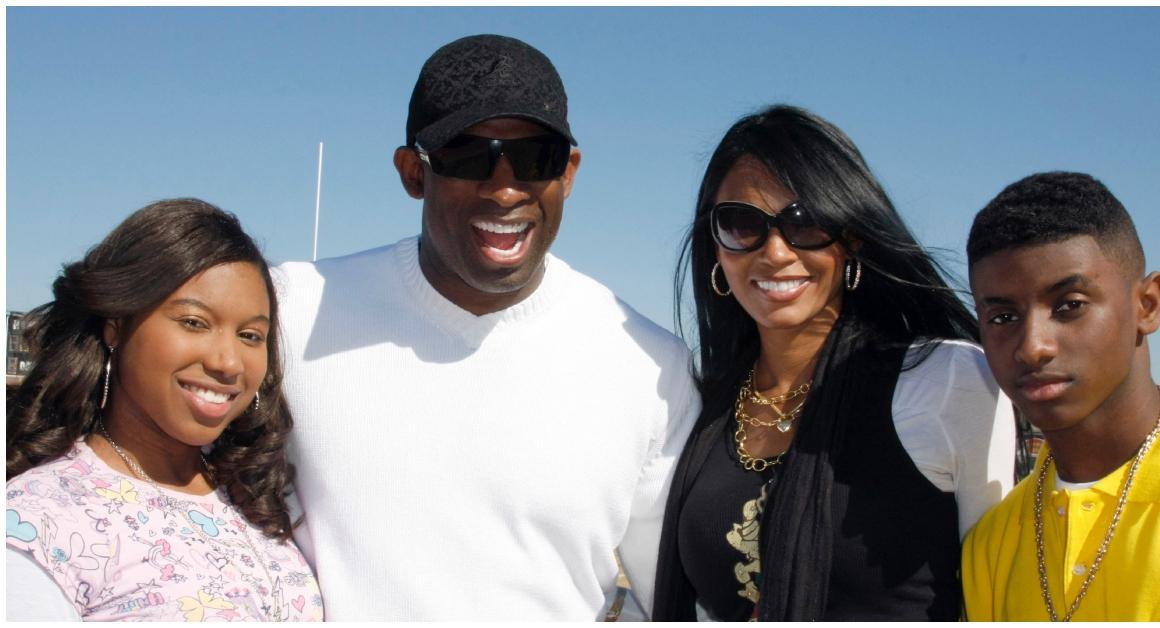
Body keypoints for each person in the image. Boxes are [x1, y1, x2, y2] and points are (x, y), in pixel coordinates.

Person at [272, 34, 699, 620]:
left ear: (568, 172)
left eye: (535, 159)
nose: (504, 188)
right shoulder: (290, 312)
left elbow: (673, 603)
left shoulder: (652, 366)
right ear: (412, 173)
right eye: (469, 156)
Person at [652, 105, 1016, 621]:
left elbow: (999, 597)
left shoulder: (946, 383)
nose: (775, 252)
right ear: (717, 246)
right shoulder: (697, 409)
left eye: (807, 223)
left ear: (852, 240)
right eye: (741, 223)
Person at [6, 198, 322, 621]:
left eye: (250, 335)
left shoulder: (258, 498)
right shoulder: (38, 523)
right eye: (194, 323)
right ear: (115, 325)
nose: (227, 362)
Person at [961, 172, 1160, 621]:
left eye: (1069, 305)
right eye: (1004, 316)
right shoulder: (990, 544)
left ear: (1147, 305)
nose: (1033, 346)